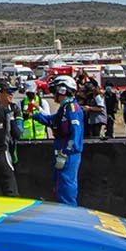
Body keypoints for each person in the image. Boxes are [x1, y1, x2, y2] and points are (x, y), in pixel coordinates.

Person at [37, 75, 85, 205]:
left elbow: (76, 132)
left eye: (55, 91)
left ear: (63, 90)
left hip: (68, 155)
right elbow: (53, 121)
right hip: (61, 153)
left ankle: (69, 211)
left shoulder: (72, 108)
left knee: (66, 184)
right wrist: (35, 115)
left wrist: (67, 151)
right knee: (59, 184)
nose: (53, 94)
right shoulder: (64, 108)